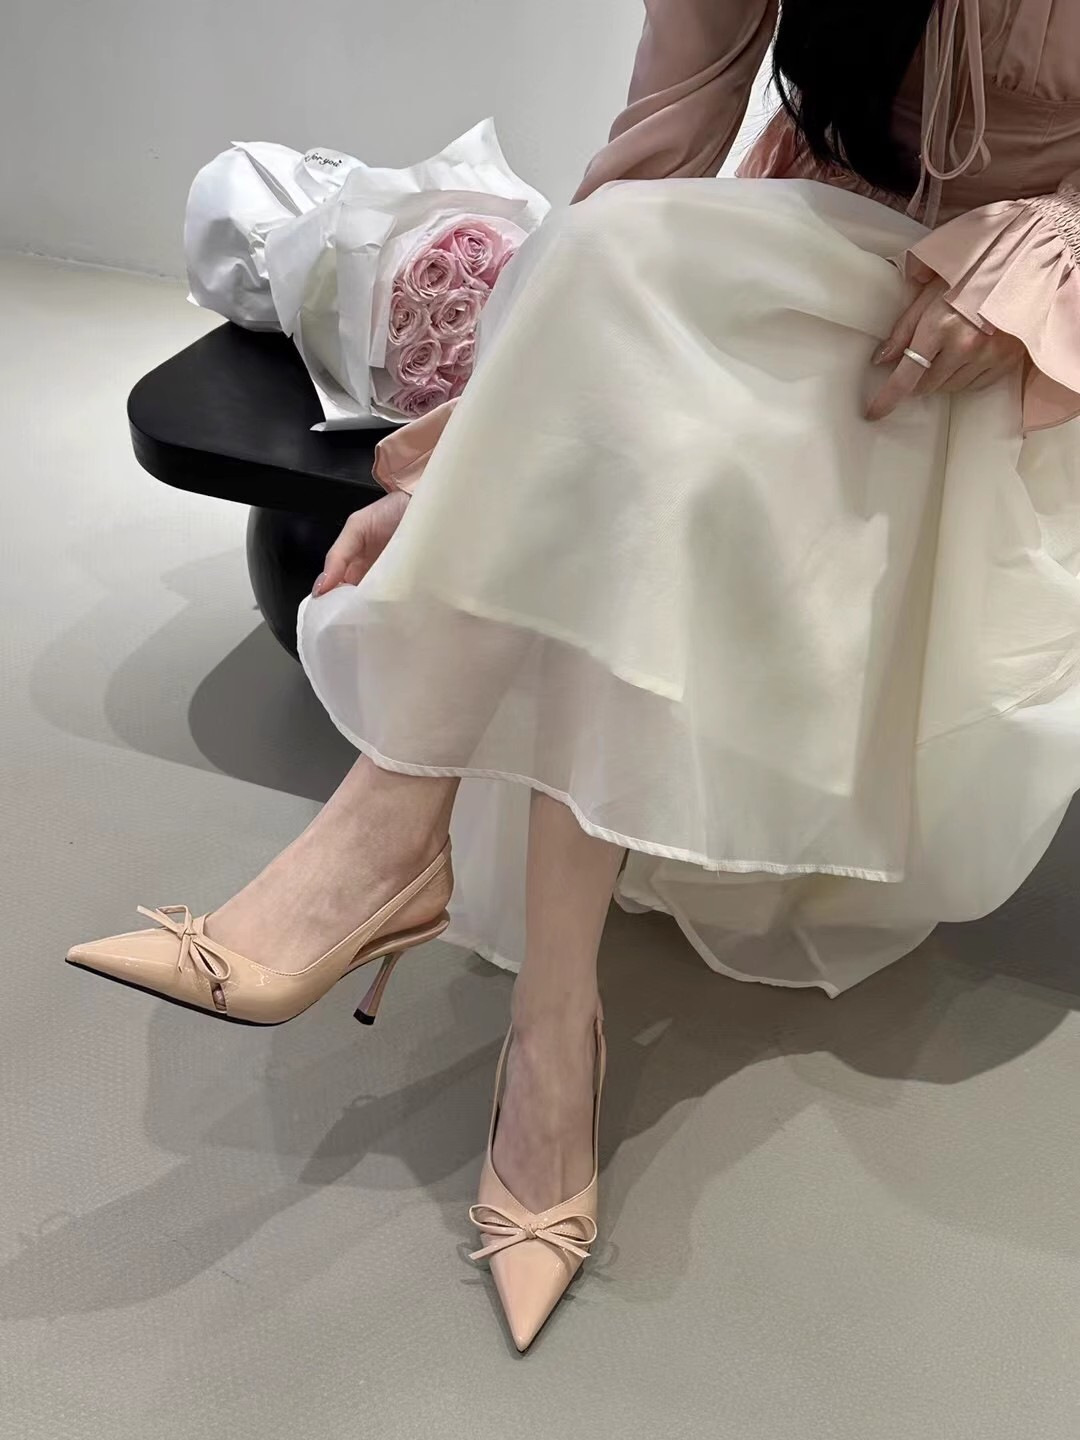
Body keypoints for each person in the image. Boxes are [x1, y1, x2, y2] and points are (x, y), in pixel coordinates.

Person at [69, 0, 1080, 1351]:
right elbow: (654, 160)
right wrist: (481, 455)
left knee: (642, 445)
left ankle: (398, 856)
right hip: (814, 262)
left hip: (1017, 338)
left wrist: (1047, 262)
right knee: (618, 312)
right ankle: (549, 1028)